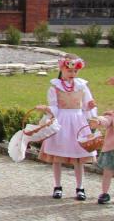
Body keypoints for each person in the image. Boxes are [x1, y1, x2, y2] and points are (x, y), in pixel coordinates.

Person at [39, 54, 96, 200]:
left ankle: (80, 187)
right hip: (62, 122)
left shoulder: (82, 86)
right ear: (62, 69)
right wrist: (48, 109)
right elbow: (55, 107)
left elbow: (87, 108)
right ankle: (57, 186)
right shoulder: (55, 87)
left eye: (75, 72)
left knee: (79, 156)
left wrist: (90, 107)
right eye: (69, 71)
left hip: (78, 122)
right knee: (58, 156)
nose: (73, 74)